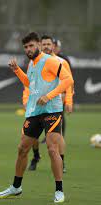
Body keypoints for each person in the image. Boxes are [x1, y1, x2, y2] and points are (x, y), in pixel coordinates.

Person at [0, 32, 74, 203]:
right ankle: (16, 187)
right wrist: (17, 70)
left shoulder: (52, 61)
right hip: (35, 112)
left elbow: (68, 80)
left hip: (52, 110)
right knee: (22, 149)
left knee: (52, 149)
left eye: (31, 46)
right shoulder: (31, 64)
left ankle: (59, 190)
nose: (28, 49)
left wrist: (50, 96)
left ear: (38, 44)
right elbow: (30, 84)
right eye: (25, 47)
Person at [27, 35, 74, 172]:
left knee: (57, 137)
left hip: (55, 104)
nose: (46, 46)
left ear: (53, 46)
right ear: (40, 46)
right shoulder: (33, 62)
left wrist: (69, 101)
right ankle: (36, 157)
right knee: (32, 136)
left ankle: (61, 162)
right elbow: (29, 83)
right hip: (36, 103)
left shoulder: (61, 61)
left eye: (49, 44)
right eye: (44, 44)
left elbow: (69, 82)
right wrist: (26, 100)